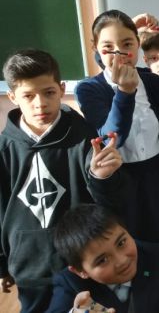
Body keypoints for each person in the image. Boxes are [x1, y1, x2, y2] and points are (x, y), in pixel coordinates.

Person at [0, 49, 126, 313]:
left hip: (79, 264)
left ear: (61, 89)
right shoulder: (4, 147)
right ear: (12, 97)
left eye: (48, 92)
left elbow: (107, 202)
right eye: (28, 96)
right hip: (28, 266)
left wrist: (101, 177)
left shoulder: (83, 137)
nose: (40, 104)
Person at [75, 10, 159, 251]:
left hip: (158, 181)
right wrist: (125, 93)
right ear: (96, 49)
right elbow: (111, 137)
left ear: (138, 44)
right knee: (128, 253)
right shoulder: (89, 89)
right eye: (108, 47)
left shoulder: (154, 82)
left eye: (127, 44)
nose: (120, 53)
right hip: (122, 186)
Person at [46, 204, 159, 313]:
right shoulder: (70, 284)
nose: (121, 260)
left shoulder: (158, 256)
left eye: (121, 243)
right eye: (102, 260)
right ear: (80, 271)